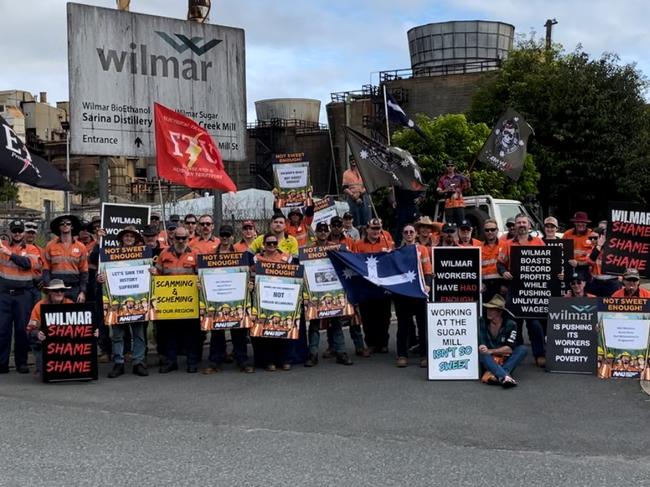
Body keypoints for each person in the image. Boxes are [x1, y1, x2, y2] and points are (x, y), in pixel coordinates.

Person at [97, 226, 148, 378]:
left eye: (131, 237)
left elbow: (150, 273)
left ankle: (138, 362)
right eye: (126, 236)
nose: (128, 238)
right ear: (121, 239)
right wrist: (99, 278)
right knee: (117, 334)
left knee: (138, 333)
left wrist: (152, 272)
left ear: (136, 239)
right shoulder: (110, 255)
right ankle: (118, 362)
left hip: (137, 298)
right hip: (117, 299)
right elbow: (100, 272)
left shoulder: (143, 254)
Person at [203, 224, 255, 375]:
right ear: (220, 236)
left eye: (228, 235)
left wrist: (250, 283)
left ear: (233, 237)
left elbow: (249, 272)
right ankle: (214, 362)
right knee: (216, 332)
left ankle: (243, 361)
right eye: (223, 235)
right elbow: (205, 273)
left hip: (237, 297)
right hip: (216, 298)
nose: (225, 238)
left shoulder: (241, 254)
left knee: (238, 331)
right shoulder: (211, 253)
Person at [497, 213, 547, 367]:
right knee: (514, 322)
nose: (521, 225)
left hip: (534, 290)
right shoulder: (508, 244)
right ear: (515, 226)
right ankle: (516, 353)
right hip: (515, 289)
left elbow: (548, 262)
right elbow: (500, 263)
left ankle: (539, 354)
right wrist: (503, 272)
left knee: (535, 324)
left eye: (524, 222)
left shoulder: (539, 242)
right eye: (518, 223)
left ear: (529, 225)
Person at [151, 226, 202, 373]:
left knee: (191, 333)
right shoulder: (164, 254)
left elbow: (202, 275)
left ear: (188, 238)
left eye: (183, 238)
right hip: (169, 303)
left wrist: (200, 282)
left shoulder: (196, 254)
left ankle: (192, 362)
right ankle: (170, 361)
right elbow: (158, 273)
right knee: (169, 333)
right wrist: (154, 273)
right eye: (178, 238)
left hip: (189, 302)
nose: (180, 240)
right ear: (173, 238)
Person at [304, 222, 353, 367]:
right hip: (315, 292)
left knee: (336, 322)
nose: (323, 232)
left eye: (326, 230)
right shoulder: (309, 249)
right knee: (314, 324)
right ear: (316, 232)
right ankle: (312, 354)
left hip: (333, 290)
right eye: (320, 230)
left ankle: (341, 352)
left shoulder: (335, 247)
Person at [0, 220, 40, 374]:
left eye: (19, 231)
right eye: (14, 231)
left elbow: (28, 264)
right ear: (10, 232)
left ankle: (21, 363)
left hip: (23, 296)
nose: (17, 234)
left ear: (24, 233)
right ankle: (2, 363)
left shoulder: (31, 248)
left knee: (22, 330)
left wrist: (10, 254)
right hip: (4, 295)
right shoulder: (2, 246)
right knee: (2, 330)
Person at [251, 233, 294, 371]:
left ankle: (285, 359)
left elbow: (294, 276)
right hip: (262, 299)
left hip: (282, 299)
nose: (271, 246)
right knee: (266, 330)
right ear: (263, 244)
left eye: (274, 243)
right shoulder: (256, 258)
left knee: (283, 328)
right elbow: (251, 276)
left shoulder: (286, 257)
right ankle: (268, 361)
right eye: (268, 243)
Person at [353, 218, 394, 353]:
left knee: (384, 316)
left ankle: (383, 343)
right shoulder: (358, 245)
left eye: (378, 228)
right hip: (366, 286)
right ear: (367, 229)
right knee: (367, 316)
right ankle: (371, 344)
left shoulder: (388, 243)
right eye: (373, 228)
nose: (376, 231)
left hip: (383, 286)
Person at [394, 224, 431, 368]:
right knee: (403, 325)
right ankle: (402, 354)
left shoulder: (422, 250)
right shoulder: (397, 251)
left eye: (411, 232)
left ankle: (424, 355)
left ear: (415, 234)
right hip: (403, 294)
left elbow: (428, 269)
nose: (409, 234)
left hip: (419, 292)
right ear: (403, 234)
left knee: (423, 325)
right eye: (406, 232)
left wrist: (427, 285)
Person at [25, 279, 75, 376]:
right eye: (56, 290)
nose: (59, 293)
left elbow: (81, 327)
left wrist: (93, 331)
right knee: (45, 373)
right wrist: (37, 334)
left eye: (62, 290)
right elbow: (30, 330)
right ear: (49, 292)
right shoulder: (39, 306)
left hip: (66, 343)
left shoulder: (70, 304)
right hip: (45, 343)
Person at [478, 294, 527, 388]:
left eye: (492, 309)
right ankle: (505, 376)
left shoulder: (511, 324)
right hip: (488, 358)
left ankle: (495, 374)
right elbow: (482, 345)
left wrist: (491, 350)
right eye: (488, 308)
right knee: (482, 354)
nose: (488, 311)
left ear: (499, 311)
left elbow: (509, 349)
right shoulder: (481, 322)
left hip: (504, 357)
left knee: (522, 349)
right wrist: (485, 349)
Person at [42, 214, 89, 303]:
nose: (65, 225)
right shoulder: (50, 245)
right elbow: (46, 270)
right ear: (59, 227)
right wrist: (48, 289)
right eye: (62, 224)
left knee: (74, 315)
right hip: (56, 288)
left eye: (68, 223)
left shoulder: (81, 247)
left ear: (72, 227)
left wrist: (83, 292)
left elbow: (84, 272)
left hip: (74, 289)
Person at [436, 159, 470, 225]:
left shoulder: (460, 177)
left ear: (454, 167)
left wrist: (468, 181)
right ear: (446, 167)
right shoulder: (442, 178)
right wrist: (446, 190)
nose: (450, 167)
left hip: (459, 204)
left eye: (452, 165)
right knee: (450, 225)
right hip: (449, 205)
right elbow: (438, 191)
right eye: (448, 166)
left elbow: (467, 188)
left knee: (461, 224)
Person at [563, 211, 593, 281]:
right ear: (574, 223)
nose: (580, 224)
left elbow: (595, 254)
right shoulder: (567, 234)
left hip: (586, 268)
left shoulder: (592, 234)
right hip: (569, 266)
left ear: (586, 223)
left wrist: (579, 263)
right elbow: (561, 249)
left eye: (582, 222)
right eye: (578, 222)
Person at [342, 155, 371, 227]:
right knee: (354, 219)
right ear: (349, 161)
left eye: (354, 159)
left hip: (364, 196)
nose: (353, 161)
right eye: (351, 160)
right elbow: (344, 188)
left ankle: (365, 235)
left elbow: (368, 185)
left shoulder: (363, 171)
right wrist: (353, 196)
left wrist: (360, 193)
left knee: (366, 219)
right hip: (352, 198)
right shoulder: (346, 173)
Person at [481, 219, 505, 303]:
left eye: (492, 229)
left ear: (497, 230)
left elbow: (509, 265)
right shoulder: (479, 247)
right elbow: (476, 268)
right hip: (485, 286)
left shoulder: (505, 245)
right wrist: (480, 283)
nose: (490, 232)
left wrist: (505, 285)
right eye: (487, 230)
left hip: (501, 285)